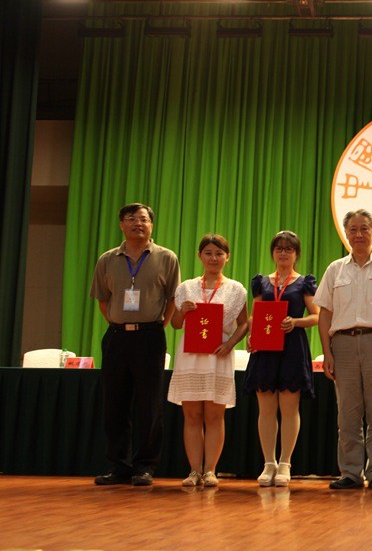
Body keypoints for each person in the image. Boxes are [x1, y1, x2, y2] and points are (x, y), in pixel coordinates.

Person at [315, 209, 372, 492]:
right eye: (353, 229)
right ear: (346, 234)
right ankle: (351, 472)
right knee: (348, 413)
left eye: (364, 228)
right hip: (342, 344)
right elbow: (325, 313)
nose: (358, 234)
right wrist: (327, 352)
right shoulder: (335, 269)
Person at [91, 203, 180, 486]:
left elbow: (173, 298)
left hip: (150, 336)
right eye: (130, 218)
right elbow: (102, 299)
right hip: (117, 337)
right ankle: (119, 466)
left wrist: (158, 325)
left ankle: (145, 466)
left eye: (143, 219)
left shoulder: (166, 257)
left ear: (151, 225)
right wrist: (119, 323)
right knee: (115, 403)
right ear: (121, 225)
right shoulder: (107, 259)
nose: (137, 223)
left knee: (149, 404)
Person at [167, 234, 249, 487]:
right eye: (208, 253)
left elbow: (244, 323)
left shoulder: (236, 289)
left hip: (218, 356)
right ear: (199, 256)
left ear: (227, 257)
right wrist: (182, 311)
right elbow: (175, 324)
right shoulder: (185, 288)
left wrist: (230, 344)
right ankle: (194, 471)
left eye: (219, 253)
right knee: (191, 416)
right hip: (190, 357)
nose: (214, 258)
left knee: (214, 417)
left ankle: (211, 471)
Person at [243, 231, 319, 487]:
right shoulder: (262, 282)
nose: (283, 253)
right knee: (265, 409)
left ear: (296, 254)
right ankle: (269, 463)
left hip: (292, 348)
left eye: (289, 249)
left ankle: (285, 462)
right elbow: (256, 314)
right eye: (279, 249)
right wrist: (251, 335)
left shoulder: (304, 282)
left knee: (289, 408)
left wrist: (295, 322)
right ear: (272, 253)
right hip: (265, 348)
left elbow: (316, 316)